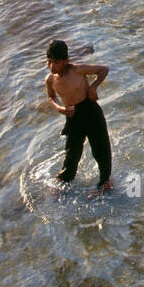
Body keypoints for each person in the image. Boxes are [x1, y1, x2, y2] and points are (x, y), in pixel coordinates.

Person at [44, 40, 112, 194]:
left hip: (91, 111)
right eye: (49, 62)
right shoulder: (50, 80)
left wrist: (93, 87)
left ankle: (105, 181)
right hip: (72, 116)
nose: (52, 66)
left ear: (66, 61)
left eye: (56, 62)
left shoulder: (77, 70)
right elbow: (51, 97)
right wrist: (61, 109)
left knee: (100, 150)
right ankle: (64, 179)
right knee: (71, 153)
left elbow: (104, 70)